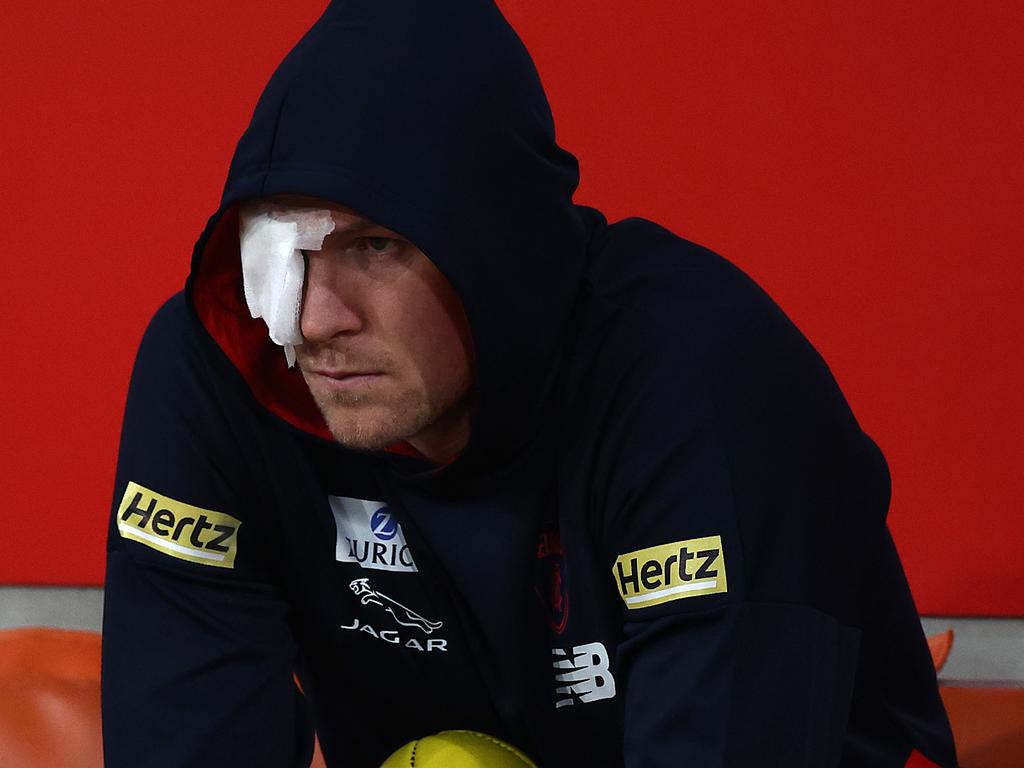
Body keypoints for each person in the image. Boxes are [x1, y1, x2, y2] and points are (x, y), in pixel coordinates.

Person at [100, 1, 958, 766]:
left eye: (375, 246)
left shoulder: (699, 373)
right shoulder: (220, 368)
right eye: (280, 254)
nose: (315, 321)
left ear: (498, 243)